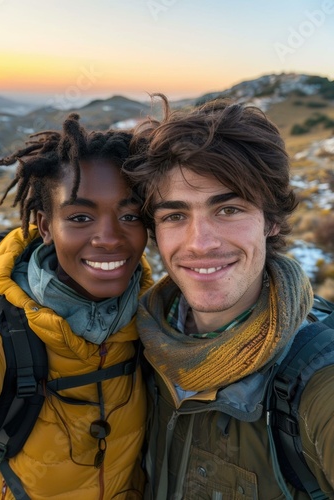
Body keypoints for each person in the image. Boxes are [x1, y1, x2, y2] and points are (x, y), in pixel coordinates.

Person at [123, 96, 334, 499]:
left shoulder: (316, 377)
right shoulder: (136, 346)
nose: (200, 243)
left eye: (229, 209)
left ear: (271, 220)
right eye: (175, 216)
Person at [0, 113, 153, 499]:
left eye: (130, 215)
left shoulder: (160, 322)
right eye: (80, 217)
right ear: (45, 226)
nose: (108, 238)